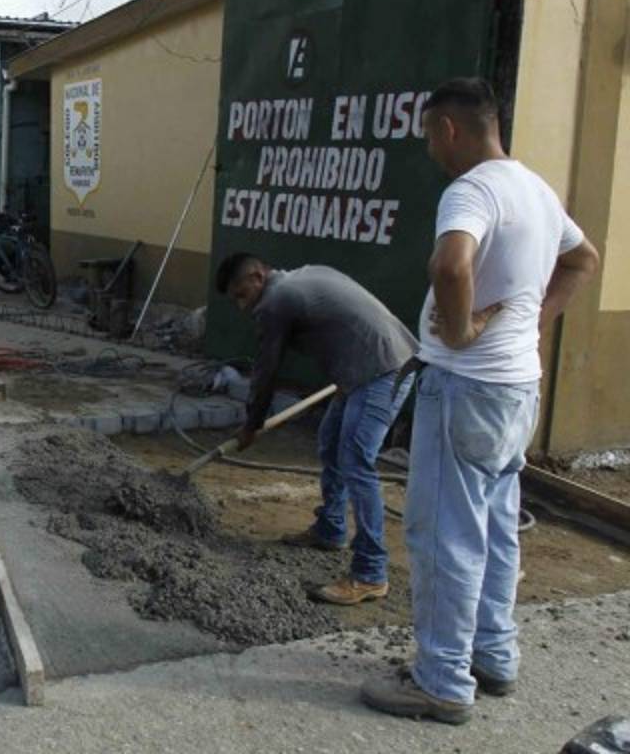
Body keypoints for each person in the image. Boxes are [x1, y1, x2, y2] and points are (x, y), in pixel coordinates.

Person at [361, 78, 599, 725]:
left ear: (449, 130)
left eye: (429, 137)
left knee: (444, 534)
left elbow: (451, 266)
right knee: (495, 528)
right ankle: (494, 656)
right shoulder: (536, 190)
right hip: (518, 387)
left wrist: (463, 331)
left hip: (465, 388)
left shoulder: (470, 190)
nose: (431, 151)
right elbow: (583, 259)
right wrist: (533, 319)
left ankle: (441, 682)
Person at [217, 254, 417, 604]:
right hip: (367, 366)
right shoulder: (303, 276)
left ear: (257, 276)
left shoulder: (276, 301)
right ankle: (331, 528)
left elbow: (266, 370)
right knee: (330, 440)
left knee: (356, 462)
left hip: (383, 369)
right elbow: (344, 323)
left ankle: (370, 573)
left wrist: (251, 425)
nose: (241, 306)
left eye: (241, 295)